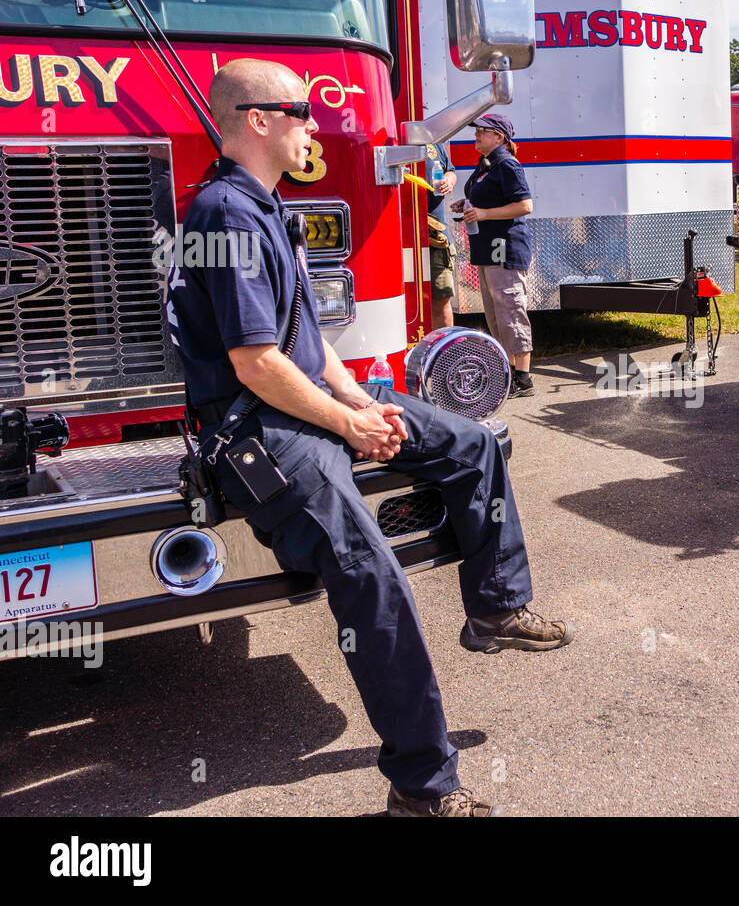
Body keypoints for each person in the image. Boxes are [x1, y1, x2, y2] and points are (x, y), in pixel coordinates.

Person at [167, 59, 572, 817]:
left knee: (473, 443)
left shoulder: (265, 205)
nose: (314, 126)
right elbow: (254, 365)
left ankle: (494, 609)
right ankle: (424, 789)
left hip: (309, 401)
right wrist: (346, 424)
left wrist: (359, 399)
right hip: (259, 433)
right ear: (258, 120)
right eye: (301, 113)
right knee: (372, 577)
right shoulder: (224, 215)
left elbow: (303, 338)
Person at [450, 114, 535, 398]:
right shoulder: (486, 163)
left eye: (483, 131)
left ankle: (523, 378)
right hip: (487, 249)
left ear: (499, 137)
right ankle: (509, 373)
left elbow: (524, 205)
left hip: (506, 249)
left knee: (510, 310)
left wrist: (484, 213)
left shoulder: (508, 164)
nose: (476, 135)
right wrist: (469, 203)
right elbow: (494, 198)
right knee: (495, 316)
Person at [425, 142, 459, 330]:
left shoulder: (434, 142)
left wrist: (448, 180)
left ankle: (441, 353)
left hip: (437, 239)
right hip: (400, 241)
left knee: (440, 301)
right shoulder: (389, 138)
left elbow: (451, 170)